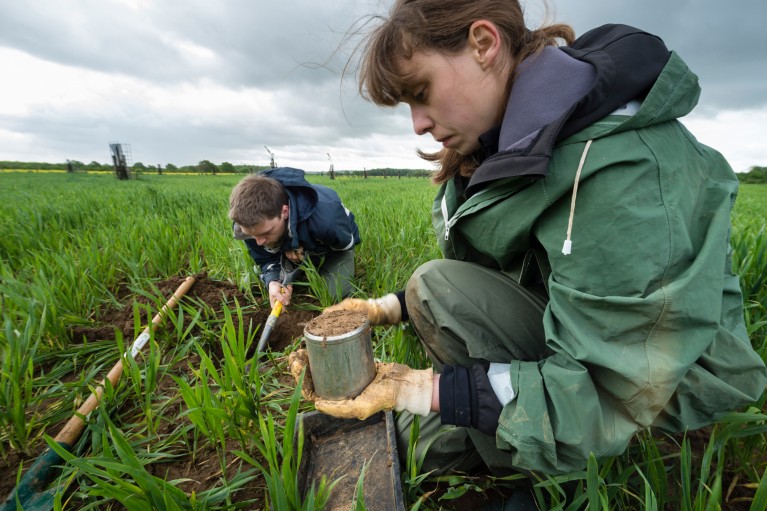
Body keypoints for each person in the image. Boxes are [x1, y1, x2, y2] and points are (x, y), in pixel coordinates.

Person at [290, 0, 767, 486]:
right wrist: (382, 308)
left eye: (421, 92)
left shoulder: (619, 172)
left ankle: (542, 479)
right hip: (579, 336)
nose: (417, 123)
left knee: (436, 307)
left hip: (660, 382)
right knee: (423, 347)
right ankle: (501, 433)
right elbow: (518, 271)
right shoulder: (513, 141)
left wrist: (416, 391)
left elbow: (611, 390)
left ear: (484, 44)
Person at [229, 167, 360, 308]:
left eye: (265, 233)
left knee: (335, 295)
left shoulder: (327, 221)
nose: (259, 242)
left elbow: (346, 244)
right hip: (292, 239)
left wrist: (307, 252)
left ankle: (305, 263)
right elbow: (265, 259)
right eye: (252, 235)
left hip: (332, 247)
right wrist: (272, 281)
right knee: (272, 284)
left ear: (284, 212)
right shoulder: (250, 225)